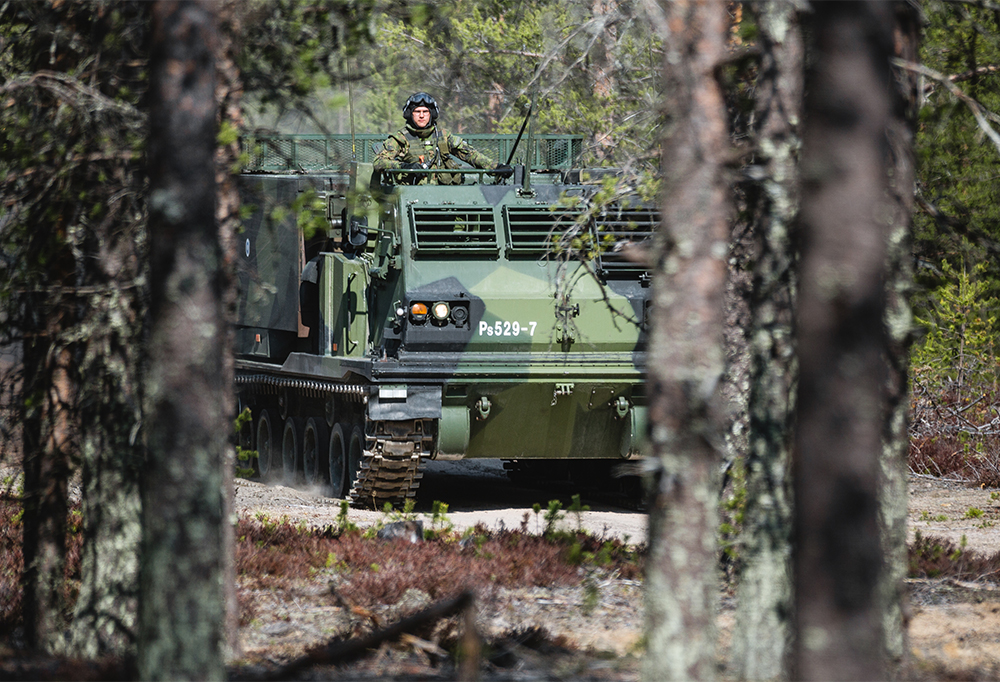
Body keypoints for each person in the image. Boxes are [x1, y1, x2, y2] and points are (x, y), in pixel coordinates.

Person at [374, 92, 513, 185]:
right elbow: (379, 162)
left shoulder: (443, 137)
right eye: (417, 112)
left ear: (431, 114)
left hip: (443, 198)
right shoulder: (400, 138)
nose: (421, 116)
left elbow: (470, 155)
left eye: (425, 112)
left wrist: (496, 167)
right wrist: (405, 167)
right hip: (411, 197)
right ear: (410, 114)